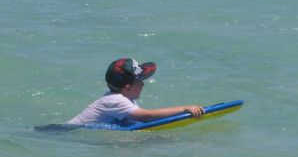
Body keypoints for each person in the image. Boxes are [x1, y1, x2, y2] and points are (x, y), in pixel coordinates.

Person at [66, 58, 204, 127]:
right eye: (140, 81)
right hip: (67, 132)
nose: (143, 84)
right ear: (127, 88)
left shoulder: (123, 97)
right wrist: (184, 109)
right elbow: (146, 116)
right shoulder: (115, 100)